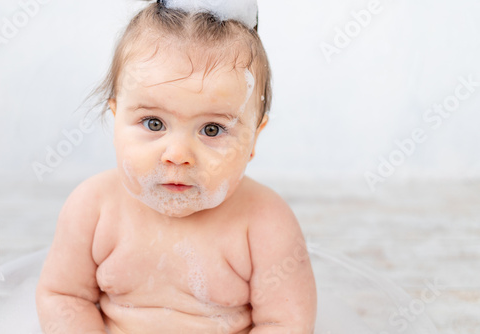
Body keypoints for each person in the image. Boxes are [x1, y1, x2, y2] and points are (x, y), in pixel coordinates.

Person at [35, 1, 317, 333]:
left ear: (254, 139)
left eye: (212, 129)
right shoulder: (93, 208)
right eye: (153, 123)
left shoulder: (265, 224)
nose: (178, 155)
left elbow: (285, 322)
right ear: (115, 118)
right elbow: (63, 296)